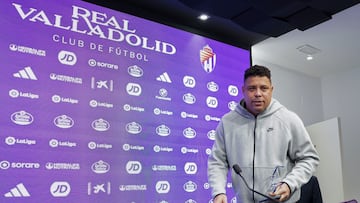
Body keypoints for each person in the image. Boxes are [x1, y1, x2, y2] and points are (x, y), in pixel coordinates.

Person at [207, 65, 320, 203]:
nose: (258, 94)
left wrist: (289, 184)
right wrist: (218, 192)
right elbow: (217, 162)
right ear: (243, 90)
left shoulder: (289, 120)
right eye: (252, 88)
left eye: (264, 88)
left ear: (271, 90)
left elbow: (309, 158)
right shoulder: (227, 123)